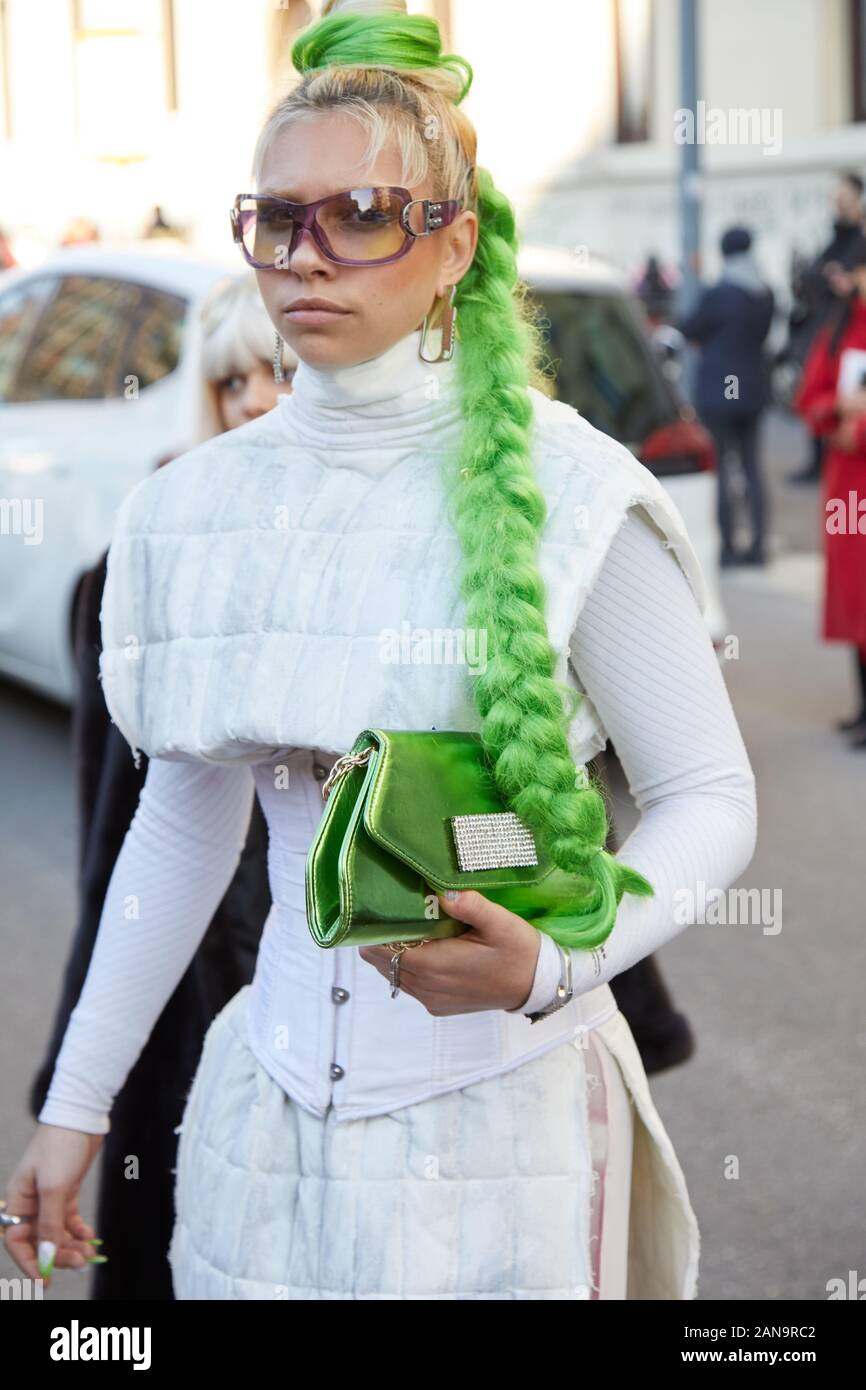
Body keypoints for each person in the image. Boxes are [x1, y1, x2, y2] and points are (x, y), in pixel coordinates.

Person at [4, 0, 756, 1300]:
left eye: (357, 214)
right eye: (273, 217)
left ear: (453, 241)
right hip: (257, 1126)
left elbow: (707, 796)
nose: (305, 256)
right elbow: (184, 829)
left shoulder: (572, 493)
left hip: (505, 1133)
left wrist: (562, 956)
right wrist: (77, 1103)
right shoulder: (189, 506)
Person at [25, 275, 297, 1299]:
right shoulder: (148, 567)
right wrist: (79, 1084)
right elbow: (126, 850)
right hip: (197, 994)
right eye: (233, 381)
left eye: (281, 371)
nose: (259, 401)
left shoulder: (412, 553)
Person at [794, 232, 866, 748]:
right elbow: (809, 395)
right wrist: (834, 414)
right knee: (856, 598)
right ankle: (864, 707)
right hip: (849, 490)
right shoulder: (840, 332)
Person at [678, 226, 775, 567]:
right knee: (751, 468)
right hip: (753, 390)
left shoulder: (719, 294)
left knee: (720, 469)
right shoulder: (766, 294)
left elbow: (688, 329)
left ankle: (730, 549)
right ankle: (759, 547)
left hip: (720, 392)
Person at [788, 171, 865, 485]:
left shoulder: (858, 239)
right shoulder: (836, 236)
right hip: (830, 330)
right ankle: (817, 458)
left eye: (843, 195)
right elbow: (811, 401)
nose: (837, 201)